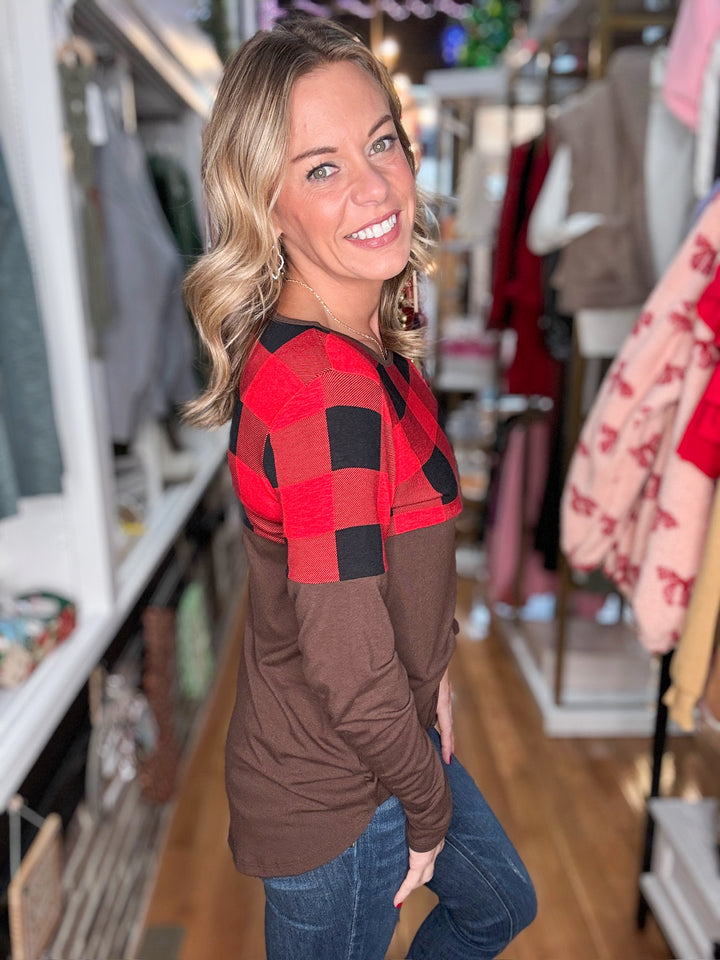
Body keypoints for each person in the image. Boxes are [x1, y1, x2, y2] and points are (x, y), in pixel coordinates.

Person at [184, 14, 537, 960]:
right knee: (494, 909)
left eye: (381, 142)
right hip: (340, 798)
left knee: (501, 903)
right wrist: (426, 805)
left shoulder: (357, 341)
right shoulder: (326, 389)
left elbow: (389, 563)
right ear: (266, 204)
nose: (375, 187)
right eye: (321, 168)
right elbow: (343, 656)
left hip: (383, 740)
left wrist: (438, 671)